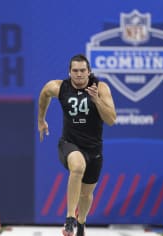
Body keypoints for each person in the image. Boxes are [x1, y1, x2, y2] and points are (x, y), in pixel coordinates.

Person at [37, 54, 116, 236]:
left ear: (89, 72)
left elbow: (111, 119)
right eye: (75, 71)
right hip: (69, 144)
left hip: (94, 149)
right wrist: (41, 119)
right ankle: (70, 218)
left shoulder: (100, 88)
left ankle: (81, 222)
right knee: (78, 166)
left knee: (86, 194)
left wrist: (96, 100)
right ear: (69, 72)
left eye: (82, 71)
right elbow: (44, 94)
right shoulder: (59, 87)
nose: (79, 74)